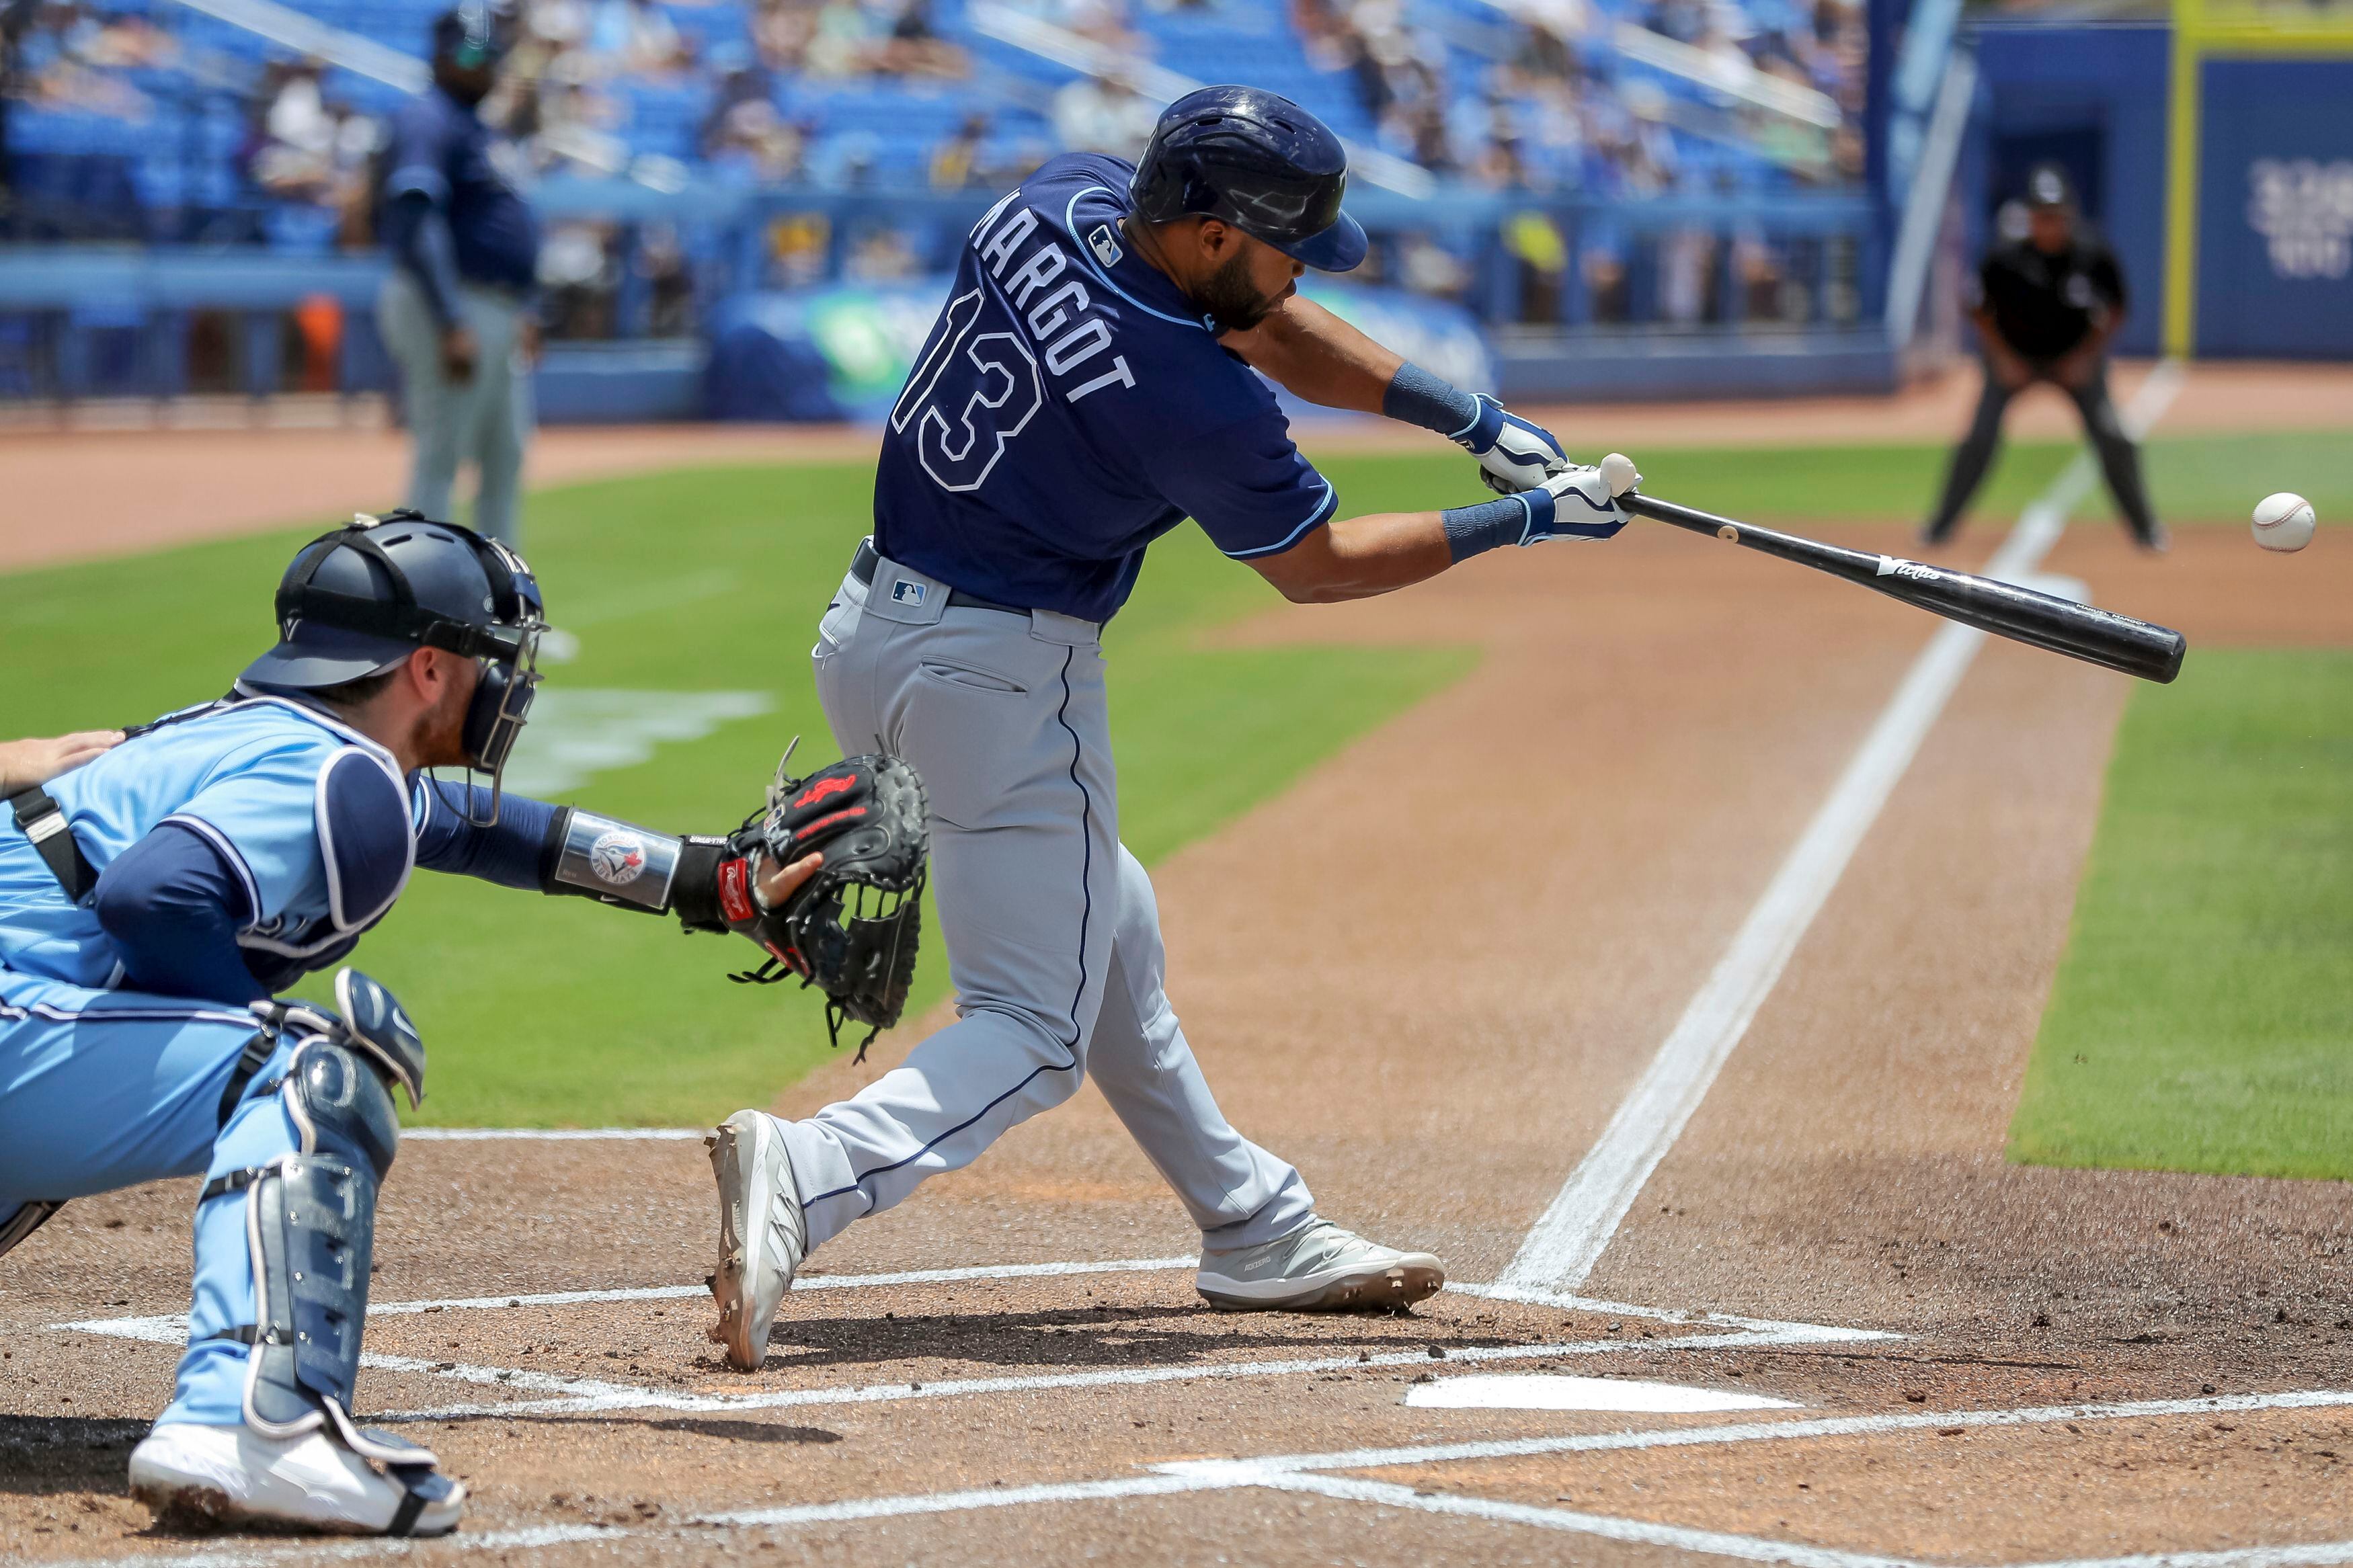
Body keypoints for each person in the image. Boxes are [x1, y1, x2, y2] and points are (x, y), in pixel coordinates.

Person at [703, 85, 1640, 1372]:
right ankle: (810, 1175)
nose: (1303, 266)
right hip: (1000, 673)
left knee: (1111, 923)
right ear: (1207, 234)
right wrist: (1525, 522)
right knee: (1034, 1024)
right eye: (1283, 242)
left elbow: (1270, 323)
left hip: (872, 636)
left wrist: (1464, 421)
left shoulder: (1062, 197)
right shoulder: (1187, 396)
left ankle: (1251, 1221)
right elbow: (1316, 563)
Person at [0, 513, 825, 1535]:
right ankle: (259, 1426)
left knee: (199, 1057)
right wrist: (250, 1023)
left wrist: (712, 881)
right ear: (429, 669)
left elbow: (493, 835)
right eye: (493, 659)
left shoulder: (264, 737)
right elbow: (150, 897)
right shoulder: (334, 774)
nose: (507, 685)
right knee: (302, 1069)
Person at [1923, 164, 2163, 551]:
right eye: (2041, 215)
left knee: (2113, 435)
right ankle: (1940, 526)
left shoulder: (2093, 254)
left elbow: (2117, 309)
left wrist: (2086, 357)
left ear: (2068, 214)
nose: (2048, 224)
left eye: (2055, 215)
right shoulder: (2006, 256)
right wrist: (2002, 358)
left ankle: (2145, 528)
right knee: (1980, 436)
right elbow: (1976, 308)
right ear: (2030, 217)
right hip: (2015, 360)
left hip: (2075, 362)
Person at [375, 5, 541, 550]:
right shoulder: (429, 117)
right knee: (441, 456)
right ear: (441, 56)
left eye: (491, 55)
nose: (483, 66)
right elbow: (419, 222)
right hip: (451, 302)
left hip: (494, 306)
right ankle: (419, 605)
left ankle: (501, 613)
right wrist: (450, 317)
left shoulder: (476, 125)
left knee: (505, 456)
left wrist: (525, 309)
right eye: (471, 54)